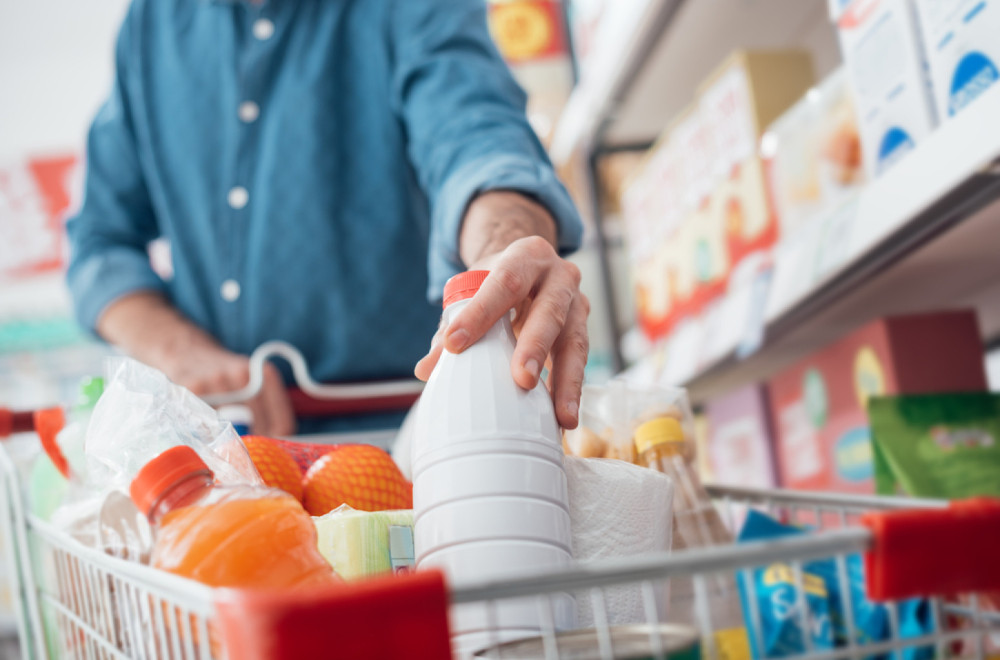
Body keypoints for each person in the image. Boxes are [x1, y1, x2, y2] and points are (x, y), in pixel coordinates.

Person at [66, 0, 589, 436]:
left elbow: (475, 138)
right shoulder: (150, 25)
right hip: (226, 457)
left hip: (414, 441)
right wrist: (180, 351)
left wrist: (504, 252)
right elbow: (99, 243)